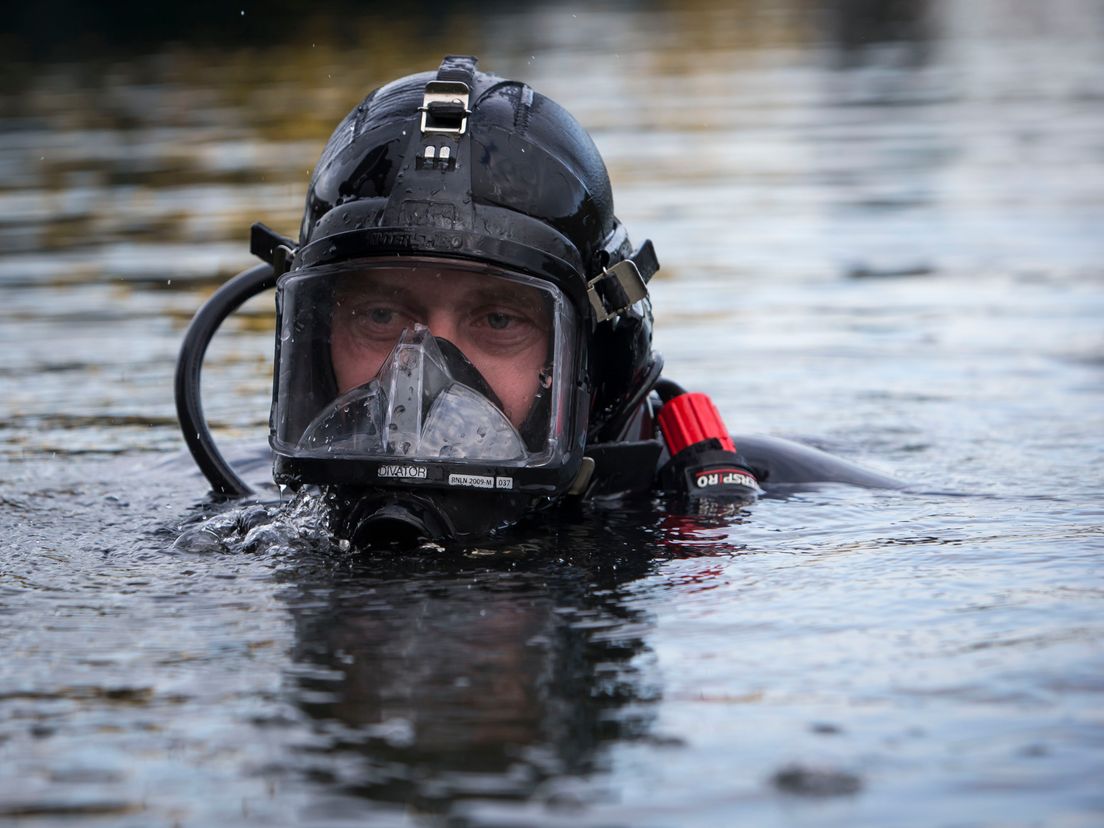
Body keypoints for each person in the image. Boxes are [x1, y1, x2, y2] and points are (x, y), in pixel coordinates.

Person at [176, 54, 899, 547]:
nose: (419, 376)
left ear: (592, 355)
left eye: (498, 319)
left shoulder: (730, 501)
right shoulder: (251, 515)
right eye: (379, 316)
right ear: (310, 339)